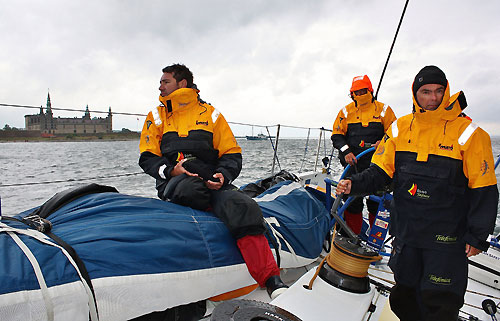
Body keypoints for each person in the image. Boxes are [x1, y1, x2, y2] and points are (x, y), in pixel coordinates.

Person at [336, 65, 499, 321]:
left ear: (446, 92)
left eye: (438, 91)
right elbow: (379, 173)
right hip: (407, 233)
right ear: (415, 94)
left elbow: (485, 189)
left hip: (447, 239)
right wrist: (353, 185)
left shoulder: (471, 134)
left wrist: (478, 235)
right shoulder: (400, 129)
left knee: (440, 302)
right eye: (425, 92)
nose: (432, 98)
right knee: (404, 297)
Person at [138, 63, 287, 299]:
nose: (160, 86)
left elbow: (231, 153)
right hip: (175, 180)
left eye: (165, 81)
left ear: (182, 83)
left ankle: (271, 279)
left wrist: (223, 176)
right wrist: (171, 171)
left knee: (244, 206)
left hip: (211, 179)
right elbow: (147, 157)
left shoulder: (211, 114)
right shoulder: (156, 116)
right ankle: (217, 212)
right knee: (191, 189)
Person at [331, 75, 396, 235]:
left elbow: (395, 133)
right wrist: (346, 151)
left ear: (370, 91)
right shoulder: (345, 112)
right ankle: (352, 237)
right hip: (353, 165)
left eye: (363, 91)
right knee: (352, 202)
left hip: (378, 166)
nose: (359, 95)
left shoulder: (384, 110)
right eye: (356, 92)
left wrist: (383, 141)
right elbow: (337, 135)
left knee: (377, 203)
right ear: (351, 94)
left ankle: (376, 241)